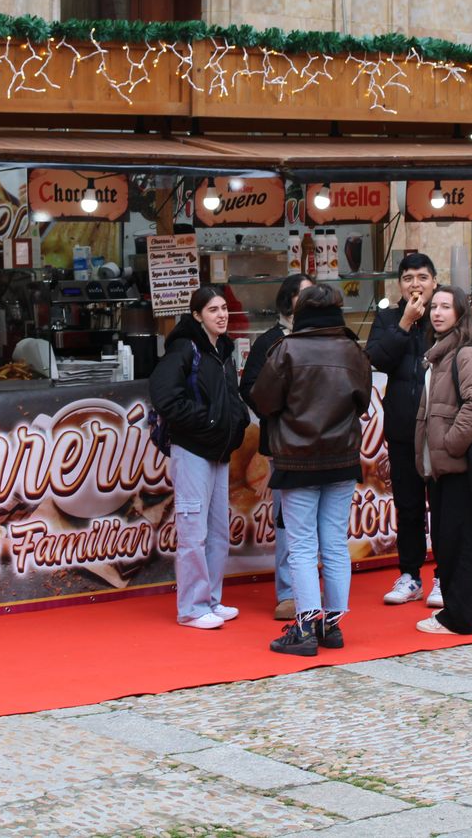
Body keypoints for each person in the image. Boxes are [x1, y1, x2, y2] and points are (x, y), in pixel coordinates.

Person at [249, 284, 373, 657]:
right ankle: (331, 627)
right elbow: (363, 401)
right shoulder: (352, 350)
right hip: (341, 457)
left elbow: (263, 399)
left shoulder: (287, 349)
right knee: (334, 544)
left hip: (297, 459)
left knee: (301, 546)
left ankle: (304, 628)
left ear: (301, 311)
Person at [148, 286, 251, 630]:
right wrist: (207, 423)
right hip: (192, 450)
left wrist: (234, 425)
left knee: (218, 533)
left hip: (218, 452)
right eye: (212, 310)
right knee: (193, 532)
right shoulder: (183, 349)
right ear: (196, 316)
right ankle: (191, 607)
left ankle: (211, 599)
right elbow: (165, 397)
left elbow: (230, 397)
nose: (221, 315)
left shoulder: (223, 349)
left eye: (224, 309)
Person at [413, 285, 472, 635]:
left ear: (460, 313)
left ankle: (458, 618)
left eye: (446, 307)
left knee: (456, 543)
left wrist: (451, 443)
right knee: (452, 542)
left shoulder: (465, 353)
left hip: (459, 467)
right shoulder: (440, 353)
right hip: (444, 468)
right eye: (434, 306)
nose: (437, 313)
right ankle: (464, 612)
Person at [366, 252, 444, 609]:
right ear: (400, 284)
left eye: (422, 278)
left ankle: (444, 577)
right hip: (401, 427)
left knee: (443, 505)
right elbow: (378, 358)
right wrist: (405, 324)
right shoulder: (387, 318)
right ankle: (410, 575)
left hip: (442, 429)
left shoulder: (447, 314)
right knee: (408, 506)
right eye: (409, 278)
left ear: (434, 282)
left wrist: (428, 320)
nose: (416, 284)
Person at [239, 273, 312, 621]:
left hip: (319, 442)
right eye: (305, 295)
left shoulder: (320, 337)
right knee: (287, 520)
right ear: (288, 301)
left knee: (317, 520)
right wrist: (276, 411)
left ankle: (312, 586)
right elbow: (249, 386)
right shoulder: (269, 341)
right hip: (281, 442)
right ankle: (288, 592)